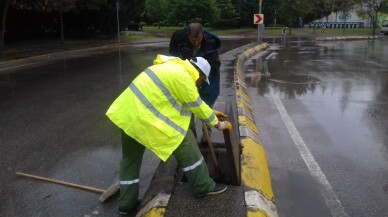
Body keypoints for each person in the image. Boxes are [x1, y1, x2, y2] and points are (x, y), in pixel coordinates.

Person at [106, 54, 232, 214]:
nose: (200, 84)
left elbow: (186, 101)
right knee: (186, 143)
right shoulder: (184, 77)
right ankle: (203, 186)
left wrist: (212, 112)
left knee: (130, 161)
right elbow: (195, 103)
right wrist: (218, 124)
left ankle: (126, 205)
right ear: (199, 74)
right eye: (202, 80)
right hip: (145, 119)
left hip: (128, 116)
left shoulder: (170, 68)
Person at [169, 23, 221, 142]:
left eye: (199, 39)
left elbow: (215, 65)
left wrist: (201, 79)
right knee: (188, 105)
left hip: (208, 76)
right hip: (185, 75)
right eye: (193, 40)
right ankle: (191, 136)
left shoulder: (210, 42)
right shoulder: (178, 38)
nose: (196, 42)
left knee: (207, 104)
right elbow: (173, 54)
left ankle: (207, 135)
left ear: (203, 35)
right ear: (187, 35)